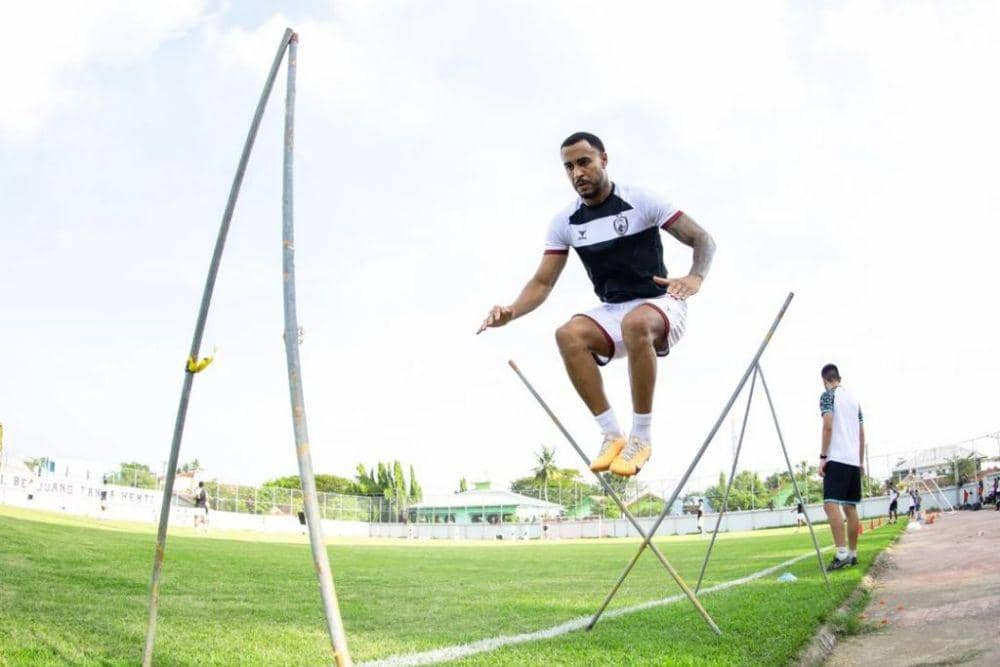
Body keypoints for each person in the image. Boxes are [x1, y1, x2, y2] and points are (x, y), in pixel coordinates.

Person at [478, 132, 715, 477]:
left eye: (584, 162)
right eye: (569, 167)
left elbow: (702, 239)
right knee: (568, 334)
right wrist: (511, 312)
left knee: (636, 323)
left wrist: (695, 277)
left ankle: (641, 437)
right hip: (613, 310)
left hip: (660, 304)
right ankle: (611, 435)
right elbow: (543, 282)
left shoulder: (641, 200)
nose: (577, 173)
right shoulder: (566, 222)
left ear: (604, 160)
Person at [817, 364, 864, 570]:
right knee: (850, 506)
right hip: (853, 460)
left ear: (825, 380)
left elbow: (828, 425)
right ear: (839, 378)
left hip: (836, 457)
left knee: (830, 503)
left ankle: (842, 552)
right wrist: (860, 461)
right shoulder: (854, 401)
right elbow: (862, 434)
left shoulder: (828, 396)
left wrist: (823, 457)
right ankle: (853, 554)